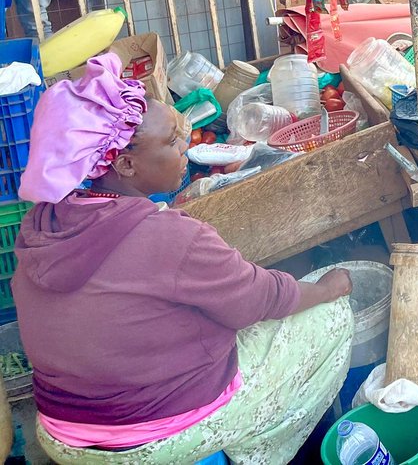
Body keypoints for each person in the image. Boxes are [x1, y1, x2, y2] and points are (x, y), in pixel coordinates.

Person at [13, 53, 353, 463]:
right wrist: (326, 288)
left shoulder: (43, 222)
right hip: (143, 438)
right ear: (124, 163)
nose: (185, 147)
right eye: (172, 141)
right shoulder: (166, 234)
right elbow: (259, 298)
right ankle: (255, 451)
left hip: (61, 430)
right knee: (330, 315)